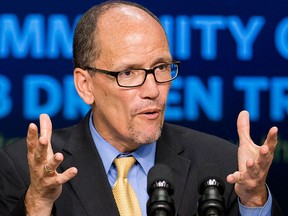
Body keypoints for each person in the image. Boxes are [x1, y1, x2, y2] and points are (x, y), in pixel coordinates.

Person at [0, 1, 283, 215]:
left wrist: (254, 200)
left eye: (161, 67)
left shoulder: (223, 165)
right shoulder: (23, 171)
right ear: (85, 85)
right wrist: (38, 202)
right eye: (129, 73)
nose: (153, 91)